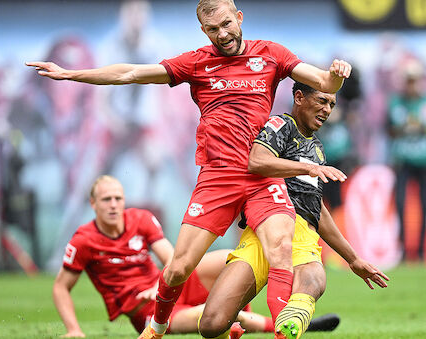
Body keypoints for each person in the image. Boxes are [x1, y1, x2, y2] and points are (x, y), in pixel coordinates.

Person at [26, 1, 352, 338]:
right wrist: (70, 74)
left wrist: (337, 77)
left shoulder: (270, 54)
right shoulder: (197, 63)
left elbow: (325, 82)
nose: (222, 34)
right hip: (218, 177)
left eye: (227, 24)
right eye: (213, 29)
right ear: (204, 31)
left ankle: (285, 333)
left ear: (239, 18)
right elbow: (131, 73)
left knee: (281, 249)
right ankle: (157, 327)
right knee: (179, 268)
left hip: (261, 173)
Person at [198, 82, 389, 339]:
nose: (327, 109)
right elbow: (257, 161)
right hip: (263, 232)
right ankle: (268, 323)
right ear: (299, 97)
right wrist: (308, 169)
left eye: (332, 104)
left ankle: (292, 324)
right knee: (210, 325)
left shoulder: (317, 148)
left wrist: (353, 259)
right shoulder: (281, 126)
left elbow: (316, 209)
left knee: (310, 282)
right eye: (321, 101)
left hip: (300, 235)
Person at [52, 175, 273, 338]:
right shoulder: (84, 240)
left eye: (118, 199)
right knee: (213, 315)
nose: (113, 205)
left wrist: (158, 287)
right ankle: (271, 324)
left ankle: (239, 317)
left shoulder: (140, 219)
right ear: (93, 204)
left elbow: (172, 259)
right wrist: (74, 329)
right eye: (106, 199)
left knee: (229, 258)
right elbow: (61, 287)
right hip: (146, 310)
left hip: (168, 288)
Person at [386, 61, 426, 262]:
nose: (411, 85)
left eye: (414, 81)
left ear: (420, 81)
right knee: (400, 203)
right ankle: (402, 250)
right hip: (402, 160)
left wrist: (421, 128)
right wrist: (404, 128)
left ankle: (420, 251)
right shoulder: (396, 103)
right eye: (409, 81)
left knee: (424, 205)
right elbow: (389, 130)